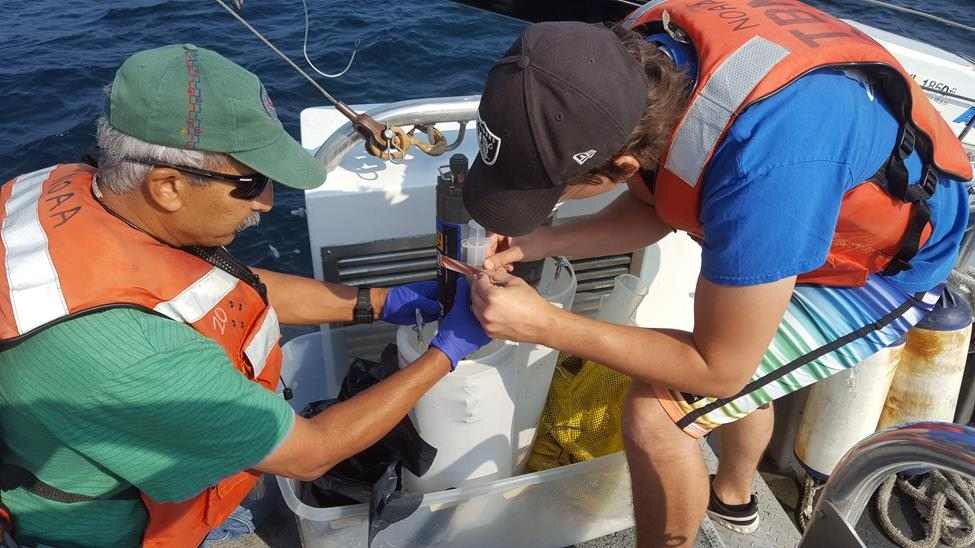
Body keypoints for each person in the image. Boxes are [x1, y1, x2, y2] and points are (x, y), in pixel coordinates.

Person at [462, 4, 972, 546]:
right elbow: (657, 201)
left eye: (550, 192)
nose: (546, 205)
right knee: (742, 352)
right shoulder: (644, 58)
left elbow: (719, 368)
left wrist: (544, 325)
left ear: (621, 166)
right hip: (799, 205)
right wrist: (540, 239)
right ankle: (734, 498)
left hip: (884, 265)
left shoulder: (767, 164)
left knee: (659, 412)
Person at [0, 44, 488, 548]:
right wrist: (445, 352)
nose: (268, 202)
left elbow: (213, 287)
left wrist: (384, 300)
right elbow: (311, 453)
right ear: (166, 185)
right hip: (149, 530)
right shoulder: (128, 354)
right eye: (250, 183)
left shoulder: (66, 189)